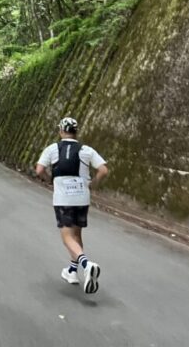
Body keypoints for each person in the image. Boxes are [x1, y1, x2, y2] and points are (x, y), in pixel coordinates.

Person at [35, 117, 109, 294]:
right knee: (76, 234)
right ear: (76, 132)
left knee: (67, 237)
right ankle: (72, 272)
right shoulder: (86, 150)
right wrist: (92, 184)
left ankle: (86, 264)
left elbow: (39, 170)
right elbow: (103, 170)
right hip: (82, 198)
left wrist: (50, 180)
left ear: (61, 131)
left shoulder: (52, 149)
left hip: (63, 199)